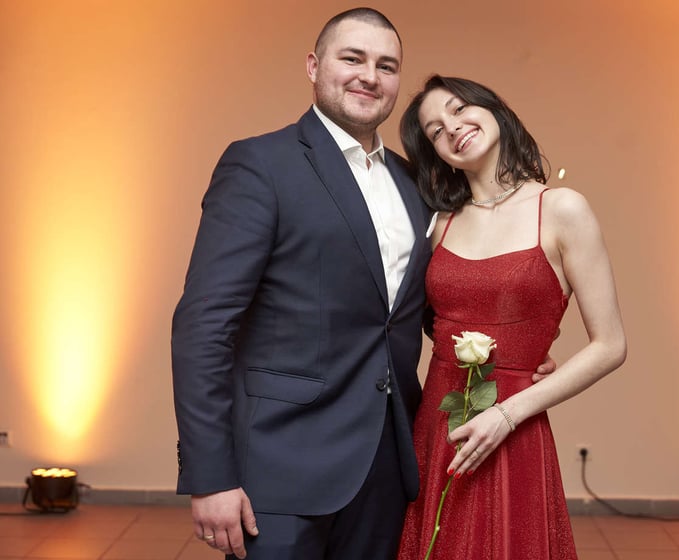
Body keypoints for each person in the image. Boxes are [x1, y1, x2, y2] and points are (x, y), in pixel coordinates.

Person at [170, 8, 430, 560]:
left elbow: (413, 307)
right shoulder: (260, 164)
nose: (369, 76)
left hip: (386, 467)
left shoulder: (413, 182)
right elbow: (204, 326)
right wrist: (210, 475)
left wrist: (514, 350)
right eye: (352, 58)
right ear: (314, 66)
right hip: (279, 467)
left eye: (386, 66)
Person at [397, 75, 627, 559]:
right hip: (438, 426)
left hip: (513, 427)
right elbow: (428, 322)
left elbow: (610, 346)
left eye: (459, 109)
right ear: (437, 155)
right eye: (435, 131)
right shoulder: (439, 224)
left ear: (493, 109)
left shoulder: (562, 208)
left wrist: (507, 412)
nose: (451, 127)